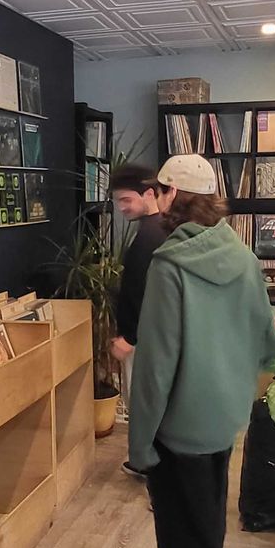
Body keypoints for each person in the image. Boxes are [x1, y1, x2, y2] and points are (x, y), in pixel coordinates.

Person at [126, 154, 275, 548]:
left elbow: (155, 367)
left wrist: (140, 443)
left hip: (180, 431)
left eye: (159, 191)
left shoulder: (170, 265)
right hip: (226, 420)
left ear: (169, 196)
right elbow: (269, 340)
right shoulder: (242, 256)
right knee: (208, 535)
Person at [108, 164, 168, 471]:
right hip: (151, 336)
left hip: (143, 339)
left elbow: (140, 292)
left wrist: (128, 337)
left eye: (126, 200)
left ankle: (152, 470)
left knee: (146, 407)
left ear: (149, 194)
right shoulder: (160, 229)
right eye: (118, 201)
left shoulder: (149, 235)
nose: (122, 208)